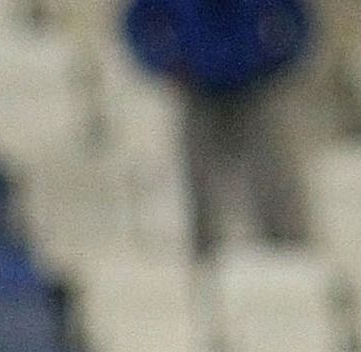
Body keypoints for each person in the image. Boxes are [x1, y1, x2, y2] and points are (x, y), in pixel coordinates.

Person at [124, 0, 311, 251]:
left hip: (253, 89)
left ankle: (285, 251)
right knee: (199, 182)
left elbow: (300, 21)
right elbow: (137, 24)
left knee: (270, 175)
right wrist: (166, 62)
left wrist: (276, 60)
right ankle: (204, 254)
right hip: (199, 91)